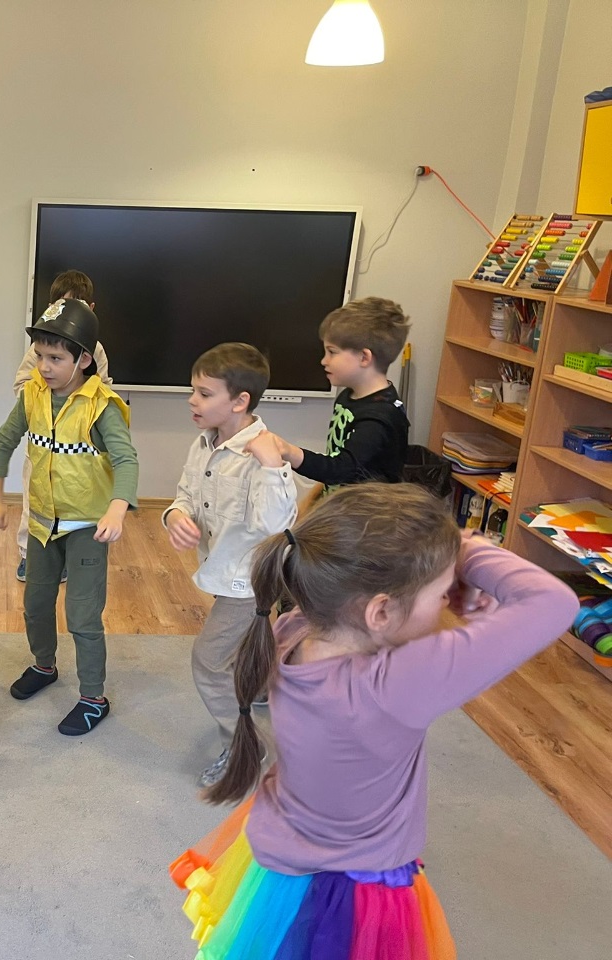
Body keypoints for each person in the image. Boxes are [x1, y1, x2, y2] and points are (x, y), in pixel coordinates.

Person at [168, 483, 577, 958]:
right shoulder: (396, 684)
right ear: (380, 610)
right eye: (443, 593)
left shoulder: (293, 628)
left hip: (280, 856)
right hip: (360, 890)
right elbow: (554, 603)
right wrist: (467, 550)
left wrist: (436, 570)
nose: (450, 600)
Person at [0, 298, 138, 736]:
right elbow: (4, 442)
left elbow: (126, 461)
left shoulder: (102, 405)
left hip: (87, 527)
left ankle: (93, 698)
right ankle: (44, 665)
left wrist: (117, 508)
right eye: (40, 356)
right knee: (35, 605)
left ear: (84, 359)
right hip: (41, 524)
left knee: (83, 616)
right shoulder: (33, 394)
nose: (44, 367)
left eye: (55, 358)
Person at [162, 343, 297, 788]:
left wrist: (272, 465)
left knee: (208, 661)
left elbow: (276, 525)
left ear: (240, 401)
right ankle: (260, 688)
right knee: (243, 649)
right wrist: (175, 516)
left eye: (204, 394)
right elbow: (185, 494)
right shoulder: (203, 443)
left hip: (250, 579)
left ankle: (245, 747)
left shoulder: (262, 454)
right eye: (193, 391)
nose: (192, 400)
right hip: (223, 570)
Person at [10, 269, 113, 581]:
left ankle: (65, 555)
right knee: (34, 501)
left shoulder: (95, 351)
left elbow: (104, 391)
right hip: (42, 445)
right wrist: (44, 395)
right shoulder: (39, 348)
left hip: (78, 450)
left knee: (72, 501)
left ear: (90, 310)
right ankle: (29, 554)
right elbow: (21, 386)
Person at [266, 297, 411, 487]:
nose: (324, 361)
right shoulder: (348, 396)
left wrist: (289, 452)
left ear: (364, 357)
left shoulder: (379, 418)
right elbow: (339, 460)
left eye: (332, 352)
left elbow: (342, 469)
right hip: (341, 500)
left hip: (366, 506)